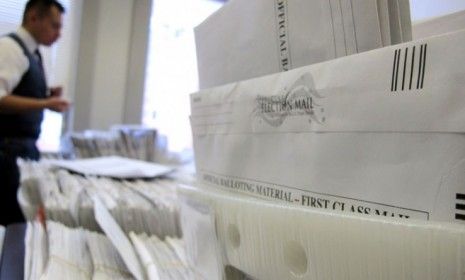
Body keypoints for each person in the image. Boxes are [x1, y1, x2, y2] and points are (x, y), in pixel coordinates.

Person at [0, 0, 70, 225]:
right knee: (12, 222)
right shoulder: (11, 48)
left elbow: (16, 89)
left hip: (21, 151)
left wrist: (46, 94)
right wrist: (44, 104)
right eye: (54, 25)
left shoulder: (33, 53)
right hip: (7, 152)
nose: (58, 34)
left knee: (20, 221)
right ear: (33, 18)